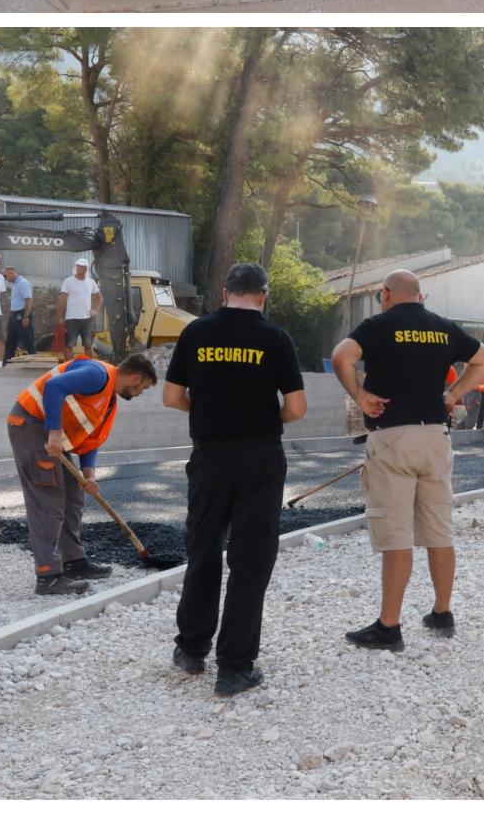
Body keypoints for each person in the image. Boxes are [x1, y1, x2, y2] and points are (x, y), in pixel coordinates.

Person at [331, 269, 484, 652]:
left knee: (396, 533)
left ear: (386, 293)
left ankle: (389, 627)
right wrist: (453, 393)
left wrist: (359, 395)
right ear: (420, 296)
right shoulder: (443, 328)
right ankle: (441, 613)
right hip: (436, 437)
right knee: (439, 529)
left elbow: (342, 356)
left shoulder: (378, 325)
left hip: (393, 439)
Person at [164, 263, 305, 697]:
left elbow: (172, 396)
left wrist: (211, 412)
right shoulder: (276, 339)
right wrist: (261, 419)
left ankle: (191, 649)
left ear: (225, 292)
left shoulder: (196, 333)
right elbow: (296, 408)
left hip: (210, 455)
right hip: (260, 457)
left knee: (203, 549)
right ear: (263, 296)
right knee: (250, 559)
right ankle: (235, 667)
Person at [7, 350, 157, 595]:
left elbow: (91, 439)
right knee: (48, 499)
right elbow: (54, 387)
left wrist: (89, 476)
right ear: (136, 378)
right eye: (145, 388)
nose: (140, 393)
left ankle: (73, 562)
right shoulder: (97, 375)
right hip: (31, 426)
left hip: (51, 435)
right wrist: (54, 433)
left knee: (74, 495)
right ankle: (48, 576)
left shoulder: (108, 398)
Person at [59, 261, 102, 356]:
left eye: (81, 267)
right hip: (71, 318)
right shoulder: (68, 281)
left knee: (88, 345)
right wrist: (61, 317)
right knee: (69, 345)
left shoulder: (91, 282)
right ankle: (69, 368)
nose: (78, 268)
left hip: (86, 319)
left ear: (86, 268)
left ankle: (88, 368)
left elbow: (99, 297)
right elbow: (62, 300)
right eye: (77, 266)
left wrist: (96, 309)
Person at [4, 267, 35, 364]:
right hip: (14, 313)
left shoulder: (23, 283)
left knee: (27, 339)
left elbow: (29, 300)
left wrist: (26, 317)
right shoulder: (15, 284)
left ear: (11, 273)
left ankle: (33, 361)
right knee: (10, 340)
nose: (5, 278)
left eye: (6, 276)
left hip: (21, 314)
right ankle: (7, 363)